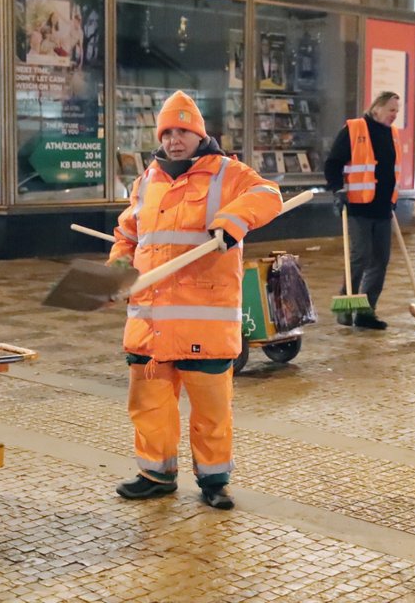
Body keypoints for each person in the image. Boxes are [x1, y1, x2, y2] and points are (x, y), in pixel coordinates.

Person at [107, 90, 283, 510]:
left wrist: (231, 223)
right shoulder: (146, 181)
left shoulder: (227, 174)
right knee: (149, 405)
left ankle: (214, 481)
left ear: (199, 134)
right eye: (167, 132)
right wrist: (116, 270)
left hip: (204, 321)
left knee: (211, 410)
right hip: (150, 322)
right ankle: (155, 474)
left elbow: (269, 195)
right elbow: (128, 234)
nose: (173, 139)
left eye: (182, 131)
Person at [323, 91, 402, 330]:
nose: (394, 115)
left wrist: (392, 197)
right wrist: (337, 190)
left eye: (397, 111)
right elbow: (333, 163)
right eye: (391, 110)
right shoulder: (355, 129)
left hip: (383, 208)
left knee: (380, 260)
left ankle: (366, 312)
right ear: (377, 108)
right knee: (360, 256)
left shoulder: (393, 134)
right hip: (357, 206)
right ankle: (346, 302)